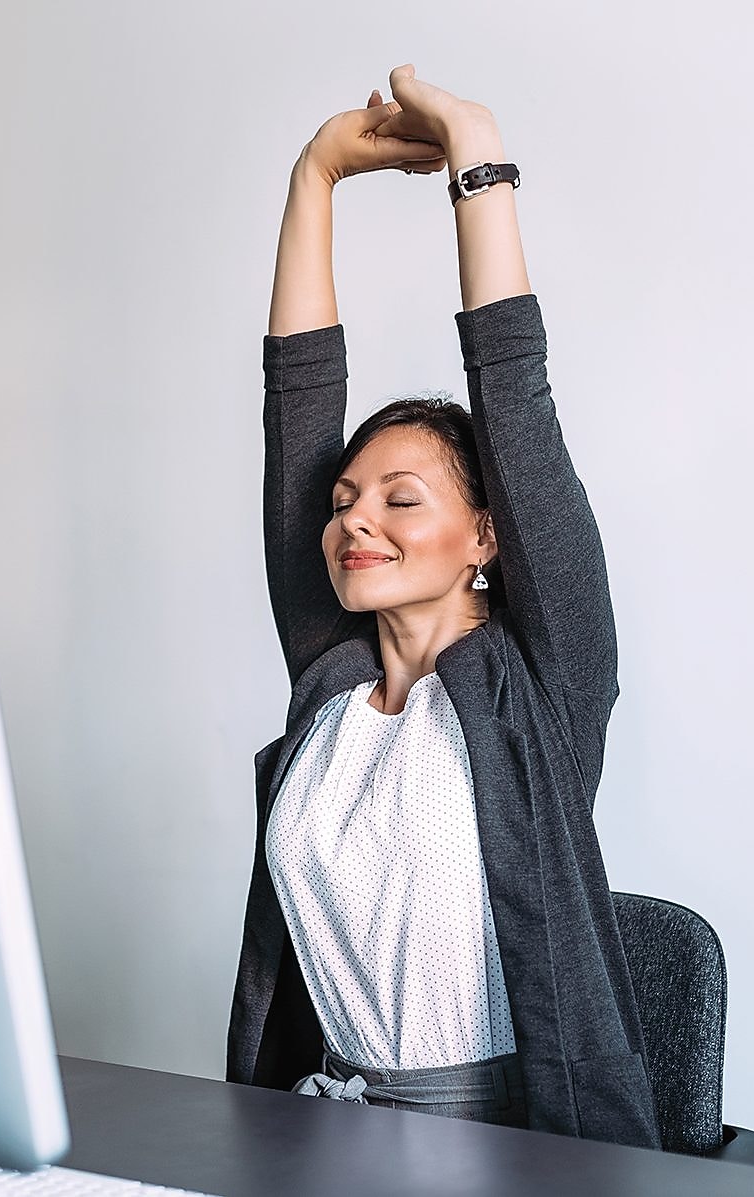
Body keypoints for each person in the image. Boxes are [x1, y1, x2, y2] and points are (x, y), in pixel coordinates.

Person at [226, 63, 662, 1150]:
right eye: (343, 505)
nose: (354, 522)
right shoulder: (329, 683)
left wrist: (473, 146)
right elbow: (297, 410)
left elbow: (514, 394)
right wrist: (314, 176)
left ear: (485, 538)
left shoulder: (538, 689)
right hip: (321, 1139)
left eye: (401, 499)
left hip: (516, 1149)